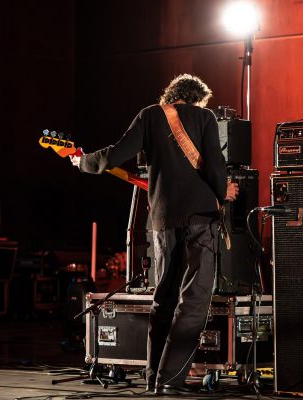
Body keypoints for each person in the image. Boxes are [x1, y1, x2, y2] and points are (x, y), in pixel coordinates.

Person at [70, 74, 238, 395]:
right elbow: (215, 166)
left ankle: (153, 377)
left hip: (162, 220)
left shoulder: (150, 115)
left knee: (164, 297)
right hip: (200, 218)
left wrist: (83, 162)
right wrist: (223, 192)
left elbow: (116, 154)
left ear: (170, 96)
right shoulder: (204, 117)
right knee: (194, 299)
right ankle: (170, 379)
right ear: (197, 99)